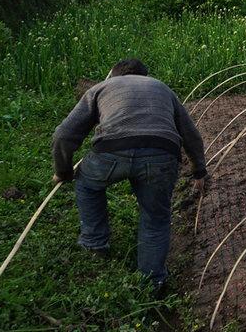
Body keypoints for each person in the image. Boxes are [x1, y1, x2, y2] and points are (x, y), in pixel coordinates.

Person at [51, 58, 208, 287]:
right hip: (162, 153)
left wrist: (63, 171)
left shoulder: (101, 88)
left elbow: (63, 135)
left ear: (112, 75)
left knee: (87, 184)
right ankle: (152, 282)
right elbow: (191, 134)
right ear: (145, 75)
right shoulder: (162, 88)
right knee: (156, 219)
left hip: (111, 150)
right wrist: (199, 170)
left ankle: (94, 244)